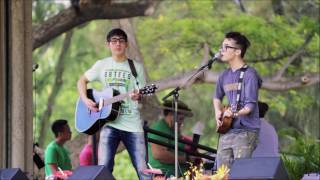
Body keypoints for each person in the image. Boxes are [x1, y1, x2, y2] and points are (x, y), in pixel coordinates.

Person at [77, 28, 148, 179]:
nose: (118, 44)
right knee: (104, 170)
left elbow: (140, 93)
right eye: (114, 41)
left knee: (144, 171)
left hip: (132, 124)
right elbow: (82, 81)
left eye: (121, 41)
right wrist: (86, 99)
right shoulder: (101, 65)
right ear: (108, 44)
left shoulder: (136, 67)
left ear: (126, 44)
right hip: (109, 124)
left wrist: (138, 96)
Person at [213, 32, 262, 169]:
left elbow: (249, 107)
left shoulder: (249, 75)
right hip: (227, 129)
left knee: (240, 173)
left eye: (226, 47)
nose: (221, 50)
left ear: (237, 52)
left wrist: (233, 114)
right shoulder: (224, 75)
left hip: (246, 131)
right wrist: (218, 112)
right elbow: (217, 97)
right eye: (221, 47)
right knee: (221, 173)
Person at [147, 100, 197, 177]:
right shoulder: (160, 127)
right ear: (171, 115)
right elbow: (159, 154)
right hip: (163, 175)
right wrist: (186, 159)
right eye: (180, 119)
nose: (182, 123)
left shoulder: (172, 130)